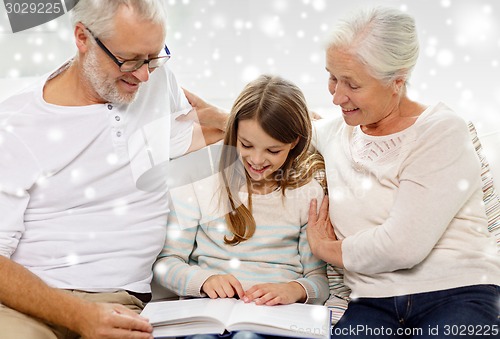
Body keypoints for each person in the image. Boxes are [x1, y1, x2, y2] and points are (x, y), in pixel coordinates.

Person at [0, 1, 220, 338]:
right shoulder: (17, 125)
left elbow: (197, 129)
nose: (144, 74)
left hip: (122, 302)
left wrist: (265, 120)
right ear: (82, 37)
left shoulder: (155, 84)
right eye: (130, 60)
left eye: (154, 58)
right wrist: (80, 316)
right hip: (28, 306)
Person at [304, 6, 500, 338]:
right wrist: (215, 120)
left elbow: (402, 245)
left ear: (397, 80)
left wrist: (325, 249)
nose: (336, 96)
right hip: (371, 302)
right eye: (332, 77)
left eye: (351, 83)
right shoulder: (337, 133)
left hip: (455, 293)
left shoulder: (441, 131)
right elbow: (280, 128)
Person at [153, 74, 330, 339]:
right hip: (207, 316)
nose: (257, 160)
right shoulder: (202, 186)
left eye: (273, 151)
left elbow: (319, 279)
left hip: (272, 321)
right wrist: (204, 281)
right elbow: (166, 264)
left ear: (294, 143)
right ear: (233, 132)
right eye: (246, 145)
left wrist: (293, 289)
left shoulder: (307, 195)